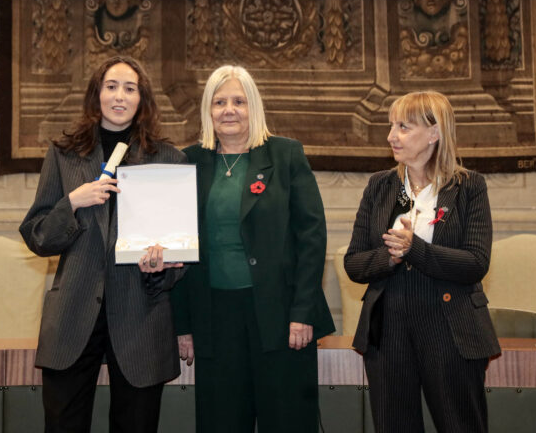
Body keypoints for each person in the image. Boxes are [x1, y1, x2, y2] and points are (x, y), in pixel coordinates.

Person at [19, 55, 187, 433]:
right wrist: (72, 203)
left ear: (142, 99)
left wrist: (162, 267)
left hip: (140, 314)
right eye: (111, 87)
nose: (119, 96)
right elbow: (37, 235)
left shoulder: (168, 159)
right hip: (73, 314)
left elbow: (181, 253)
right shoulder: (64, 154)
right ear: (97, 94)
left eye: (130, 89)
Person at [172, 65, 334, 432]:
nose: (229, 110)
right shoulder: (188, 162)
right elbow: (179, 247)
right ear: (208, 110)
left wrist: (303, 312)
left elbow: (312, 237)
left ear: (253, 107)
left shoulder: (285, 154)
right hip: (214, 320)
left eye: (239, 101)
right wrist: (183, 325)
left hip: (282, 317)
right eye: (219, 102)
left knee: (288, 422)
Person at [344, 91, 500, 432]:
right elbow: (354, 263)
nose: (391, 136)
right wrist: (390, 256)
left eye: (403, 127)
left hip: (451, 328)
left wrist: (414, 249)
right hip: (388, 331)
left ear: (434, 133)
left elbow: (476, 262)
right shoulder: (381, 186)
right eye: (391, 126)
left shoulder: (468, 186)